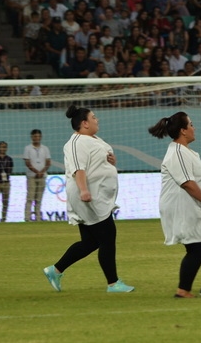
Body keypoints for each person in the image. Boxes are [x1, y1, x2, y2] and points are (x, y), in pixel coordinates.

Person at [42, 105, 135, 293]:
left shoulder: (93, 139)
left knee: (90, 242)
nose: (97, 119)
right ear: (84, 123)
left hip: (96, 196)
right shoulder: (76, 142)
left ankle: (55, 270)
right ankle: (113, 283)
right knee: (108, 236)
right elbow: (79, 168)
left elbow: (97, 162)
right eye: (93, 117)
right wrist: (84, 190)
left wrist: (111, 162)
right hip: (89, 196)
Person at [148, 112, 201, 298]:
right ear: (183, 131)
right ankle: (183, 290)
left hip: (192, 205)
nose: (194, 128)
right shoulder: (177, 152)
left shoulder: (186, 151)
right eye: (191, 124)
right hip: (182, 206)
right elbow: (187, 183)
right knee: (196, 247)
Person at [23, 129, 51, 222]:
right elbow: (27, 162)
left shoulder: (45, 148)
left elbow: (48, 162)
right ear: (32, 137)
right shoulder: (28, 148)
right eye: (35, 136)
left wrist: (42, 172)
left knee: (39, 199)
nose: (37, 138)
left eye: (38, 136)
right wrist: (36, 171)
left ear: (41, 137)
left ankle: (38, 217)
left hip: (42, 176)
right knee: (30, 197)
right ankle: (27, 217)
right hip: (31, 176)